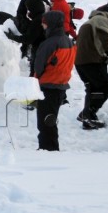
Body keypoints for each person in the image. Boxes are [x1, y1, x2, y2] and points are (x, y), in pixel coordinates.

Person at [33, 11, 76, 151]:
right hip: (61, 86)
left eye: (44, 22)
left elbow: (38, 67)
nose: (42, 25)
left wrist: (35, 82)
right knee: (50, 120)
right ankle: (50, 148)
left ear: (50, 24)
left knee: (45, 122)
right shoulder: (68, 41)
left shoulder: (49, 43)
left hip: (48, 86)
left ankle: (48, 150)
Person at [74, 10, 108, 130]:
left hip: (80, 62)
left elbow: (93, 44)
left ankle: (88, 118)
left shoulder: (89, 22)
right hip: (92, 62)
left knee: (93, 89)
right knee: (107, 87)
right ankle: (88, 113)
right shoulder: (102, 20)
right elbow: (106, 38)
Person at [15, 0, 51, 75]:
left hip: (40, 30)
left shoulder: (42, 0)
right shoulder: (25, 1)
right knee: (28, 44)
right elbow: (20, 14)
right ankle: (25, 57)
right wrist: (27, 23)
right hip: (31, 27)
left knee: (36, 52)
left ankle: (34, 71)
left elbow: (49, 12)